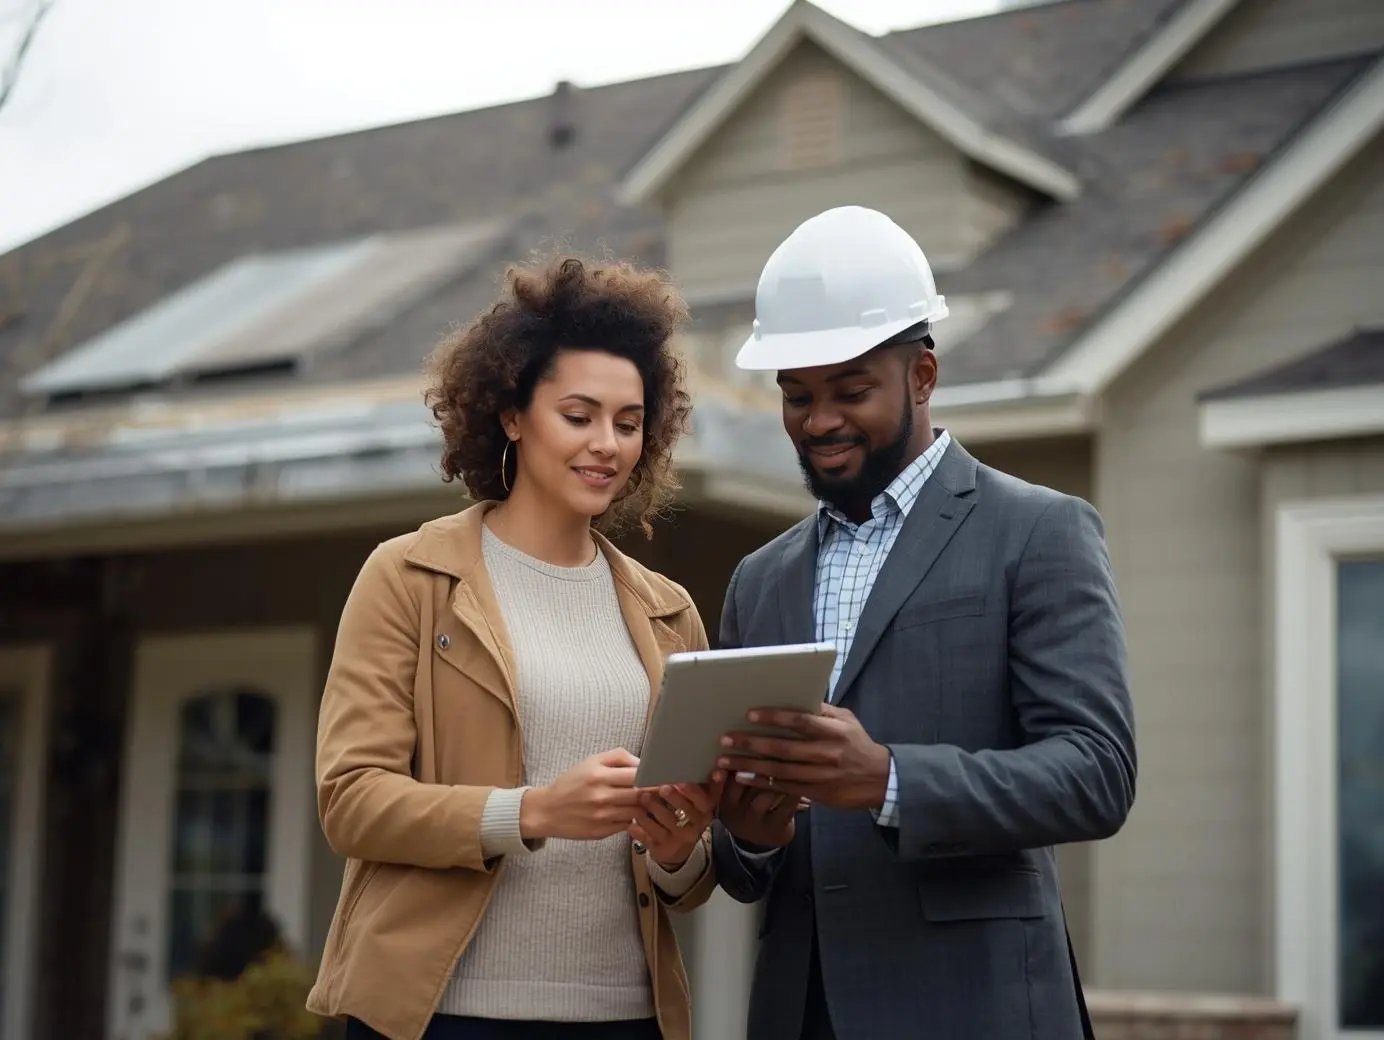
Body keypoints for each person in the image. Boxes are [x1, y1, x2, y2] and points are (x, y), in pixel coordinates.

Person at [708, 206, 1137, 1040]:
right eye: (796, 396)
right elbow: (744, 867)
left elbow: (1097, 773)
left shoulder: (1040, 532)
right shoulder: (758, 581)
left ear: (924, 376)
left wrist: (890, 779)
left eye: (851, 390)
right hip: (803, 1014)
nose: (819, 421)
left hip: (976, 1008)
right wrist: (750, 837)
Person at [307, 254, 722, 1040]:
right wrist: (532, 810)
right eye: (579, 415)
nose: (607, 444)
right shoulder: (408, 576)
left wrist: (678, 848)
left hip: (624, 1017)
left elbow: (687, 880)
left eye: (628, 424)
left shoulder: (670, 613)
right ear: (510, 414)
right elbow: (352, 801)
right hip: (442, 1016)